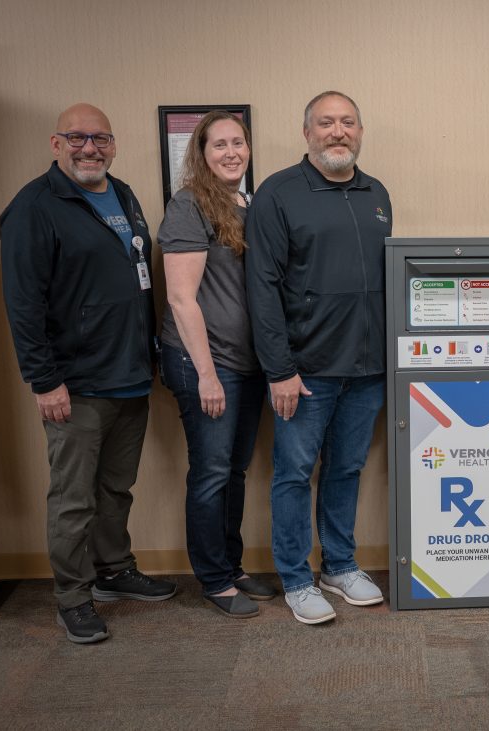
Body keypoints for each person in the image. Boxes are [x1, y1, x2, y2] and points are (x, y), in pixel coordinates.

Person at [0, 103, 176, 644]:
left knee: (116, 488)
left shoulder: (122, 194)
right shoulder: (35, 206)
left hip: (129, 372)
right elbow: (23, 302)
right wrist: (43, 379)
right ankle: (72, 596)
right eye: (77, 138)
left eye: (100, 138)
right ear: (57, 144)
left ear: (114, 144)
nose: (89, 148)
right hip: (74, 384)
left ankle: (113, 571)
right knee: (73, 499)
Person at [245, 91, 391, 624]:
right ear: (306, 132)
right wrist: (279, 370)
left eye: (347, 122)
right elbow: (261, 288)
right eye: (326, 123)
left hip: (368, 369)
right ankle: (295, 577)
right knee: (293, 473)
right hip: (304, 373)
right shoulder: (278, 194)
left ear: (360, 130)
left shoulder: (377, 193)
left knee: (346, 469)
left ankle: (340, 565)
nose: (338, 131)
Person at [158, 111, 274, 618]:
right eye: (219, 145)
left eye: (238, 142)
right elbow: (182, 300)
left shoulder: (248, 203)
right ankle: (213, 578)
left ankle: (231, 564)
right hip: (206, 364)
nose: (231, 152)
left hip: (247, 365)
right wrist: (206, 374)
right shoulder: (189, 205)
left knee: (235, 471)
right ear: (201, 154)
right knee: (210, 473)